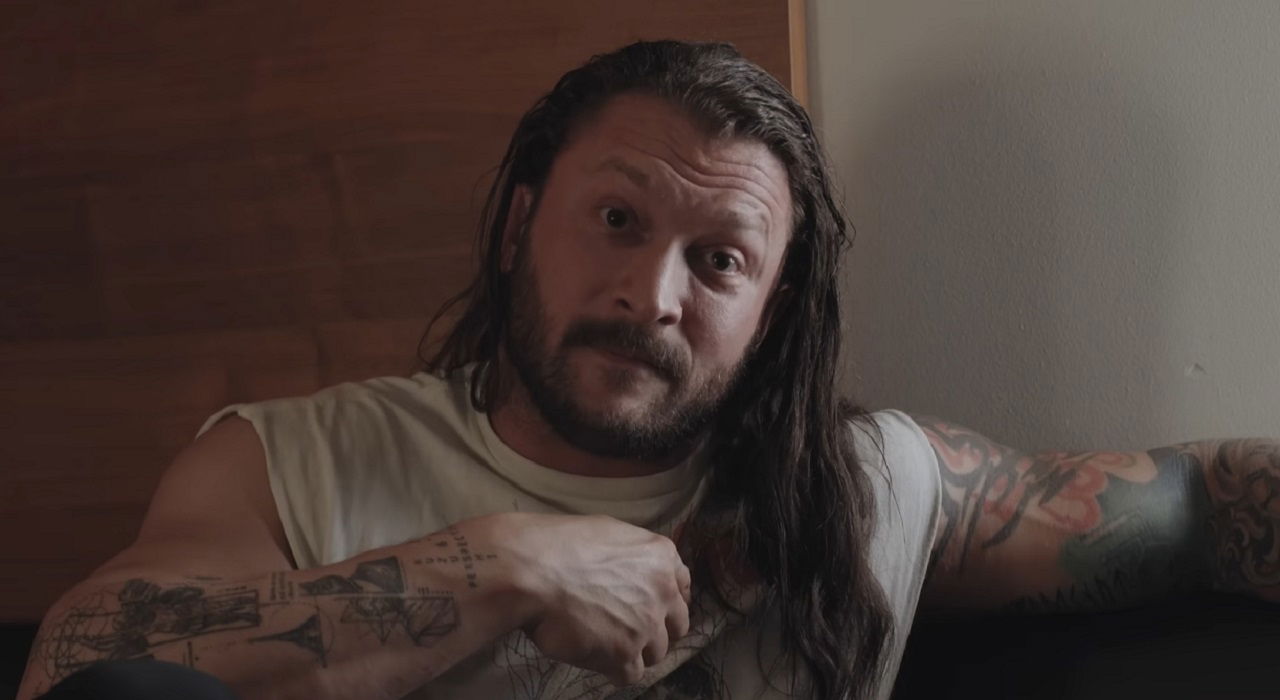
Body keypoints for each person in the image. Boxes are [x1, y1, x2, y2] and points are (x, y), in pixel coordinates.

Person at [17, 40, 1279, 700]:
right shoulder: (292, 463)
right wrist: (498, 566)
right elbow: (86, 674)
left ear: (771, 310)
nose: (651, 295)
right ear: (519, 225)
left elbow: (1193, 506)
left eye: (719, 260)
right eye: (616, 221)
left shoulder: (874, 487)